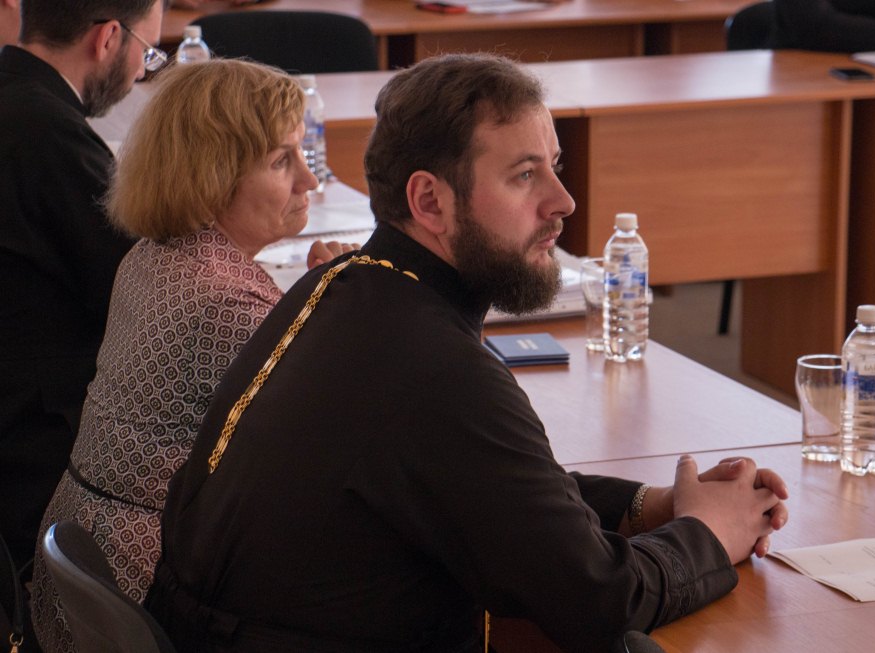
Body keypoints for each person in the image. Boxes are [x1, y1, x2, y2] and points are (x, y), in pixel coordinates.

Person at [145, 53, 789, 653]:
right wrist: (710, 534)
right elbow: (600, 599)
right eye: (524, 176)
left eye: (554, 166)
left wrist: (653, 506)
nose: (563, 202)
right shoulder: (432, 367)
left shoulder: (343, 287)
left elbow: (491, 488)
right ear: (431, 201)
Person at [28, 58, 353, 652]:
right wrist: (353, 303)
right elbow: (344, 437)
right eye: (282, 161)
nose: (309, 180)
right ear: (213, 177)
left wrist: (318, 302)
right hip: (156, 582)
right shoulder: (224, 300)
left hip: (90, 554)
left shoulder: (154, 255)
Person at [0, 0, 164, 583]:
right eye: (147, 51)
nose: (142, 70)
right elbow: (145, 288)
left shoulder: (20, 102)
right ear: (108, 38)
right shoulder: (46, 131)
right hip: (35, 448)